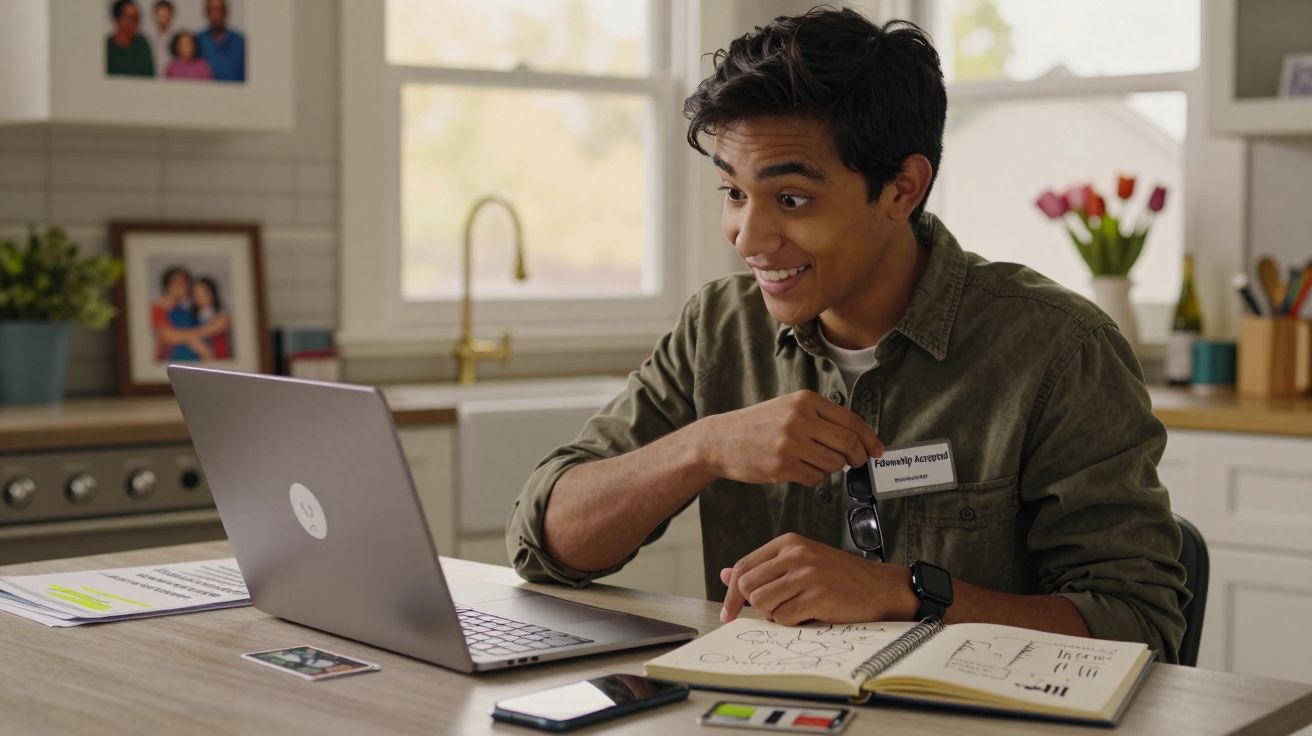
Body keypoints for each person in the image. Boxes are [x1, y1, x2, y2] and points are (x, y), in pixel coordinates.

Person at [506, 8, 1189, 662]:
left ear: (902, 189)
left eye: (792, 199)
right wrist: (702, 447)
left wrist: (905, 593)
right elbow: (545, 544)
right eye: (734, 193)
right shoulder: (718, 329)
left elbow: (1139, 627)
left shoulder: (1059, 350)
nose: (749, 236)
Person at [196, 0, 246, 83]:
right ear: (206, 14)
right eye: (211, 10)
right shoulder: (197, 41)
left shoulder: (241, 42)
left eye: (219, 10)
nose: (216, 15)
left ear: (226, 13)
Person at [106, 0, 154, 78]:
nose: (135, 23)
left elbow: (149, 76)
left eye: (137, 18)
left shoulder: (142, 43)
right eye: (130, 18)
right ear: (117, 19)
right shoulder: (107, 46)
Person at [191, 276, 231, 359]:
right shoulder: (191, 317)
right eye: (195, 294)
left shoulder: (222, 316)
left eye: (203, 293)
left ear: (212, 293)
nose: (199, 297)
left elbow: (202, 332)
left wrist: (182, 336)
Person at [143, 0, 176, 78]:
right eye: (160, 15)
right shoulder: (148, 39)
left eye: (165, 15)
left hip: (173, 82)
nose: (163, 18)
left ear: (171, 15)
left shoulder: (177, 40)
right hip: (152, 81)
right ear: (154, 16)